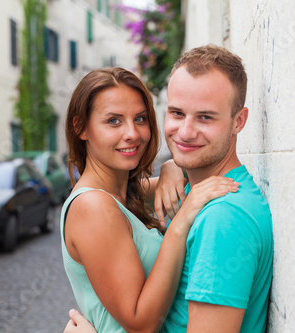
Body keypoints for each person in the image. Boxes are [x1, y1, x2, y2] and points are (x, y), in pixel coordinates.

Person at [65, 44, 273, 333]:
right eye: (177, 113)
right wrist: (176, 168)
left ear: (238, 121)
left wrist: (174, 168)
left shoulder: (222, 219)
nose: (185, 132)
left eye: (205, 117)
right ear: (81, 128)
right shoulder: (195, 196)